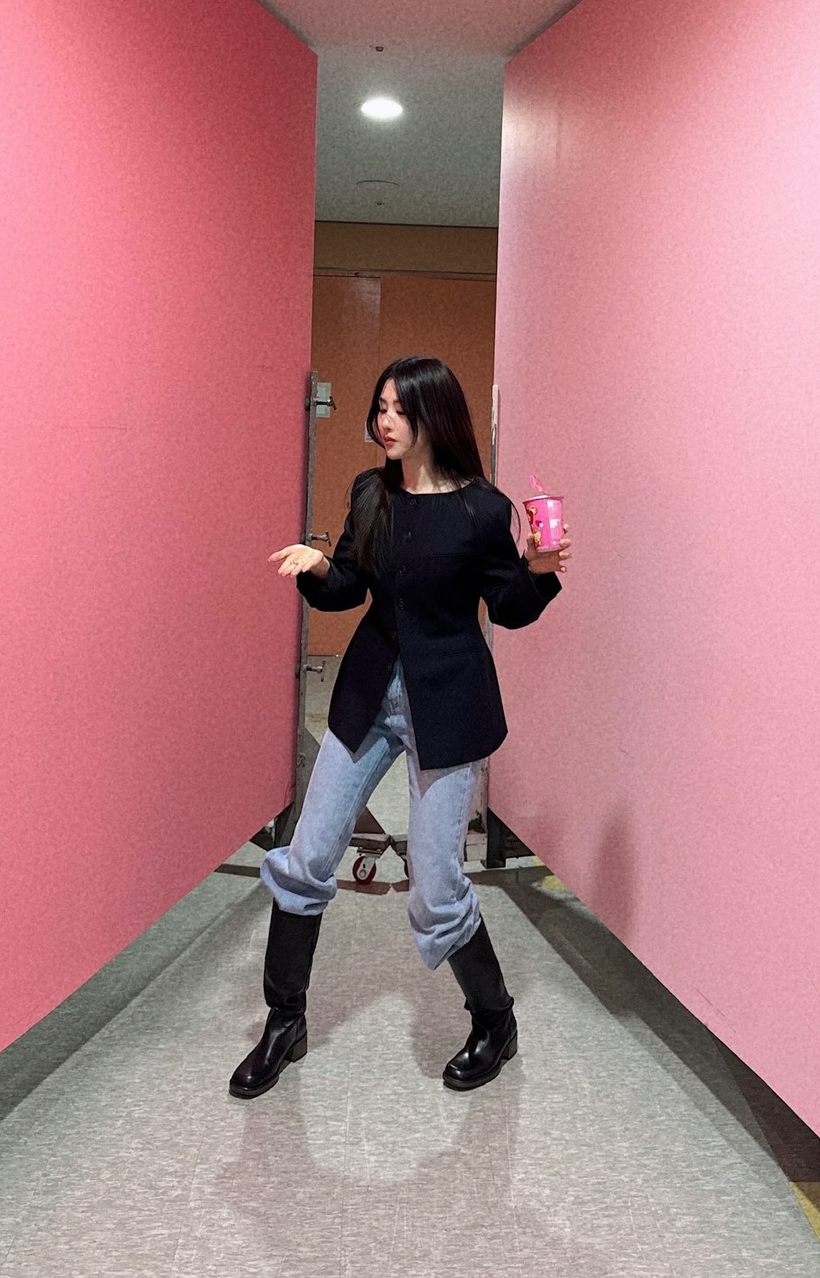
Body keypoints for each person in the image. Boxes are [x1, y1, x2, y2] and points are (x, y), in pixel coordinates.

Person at [229, 355, 571, 1100]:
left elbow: (509, 607)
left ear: (432, 415)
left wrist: (540, 569)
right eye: (380, 407)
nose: (384, 421)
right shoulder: (371, 493)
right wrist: (319, 567)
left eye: (399, 409)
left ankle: (496, 1021)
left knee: (436, 886)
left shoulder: (484, 510)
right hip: (369, 694)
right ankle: (285, 1021)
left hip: (446, 706)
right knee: (305, 856)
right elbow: (349, 586)